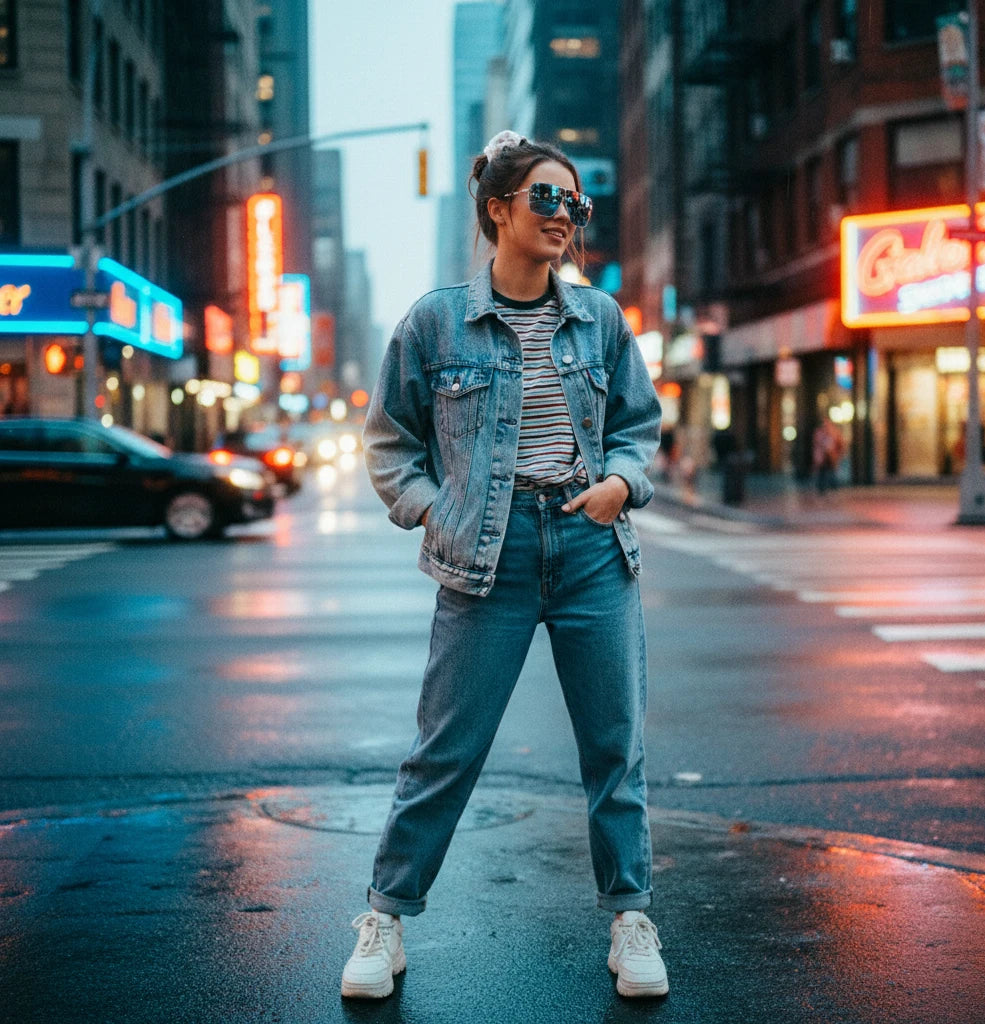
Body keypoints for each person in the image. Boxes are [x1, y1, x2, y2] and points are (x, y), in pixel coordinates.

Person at [343, 130, 667, 1000]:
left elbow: (640, 427)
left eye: (576, 203)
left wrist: (619, 486)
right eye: (547, 199)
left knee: (614, 747)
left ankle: (631, 919)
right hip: (488, 553)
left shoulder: (598, 319)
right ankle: (385, 917)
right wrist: (432, 508)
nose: (566, 216)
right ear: (498, 209)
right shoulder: (435, 320)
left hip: (593, 544)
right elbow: (388, 442)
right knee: (447, 749)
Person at [811, 417, 843, 494]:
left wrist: (837, 453)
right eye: (824, 424)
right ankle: (822, 487)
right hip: (822, 456)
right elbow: (816, 443)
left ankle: (833, 485)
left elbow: (840, 443)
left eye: (827, 424)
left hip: (831, 456)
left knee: (831, 471)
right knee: (822, 472)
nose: (826, 426)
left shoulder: (834, 432)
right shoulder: (819, 433)